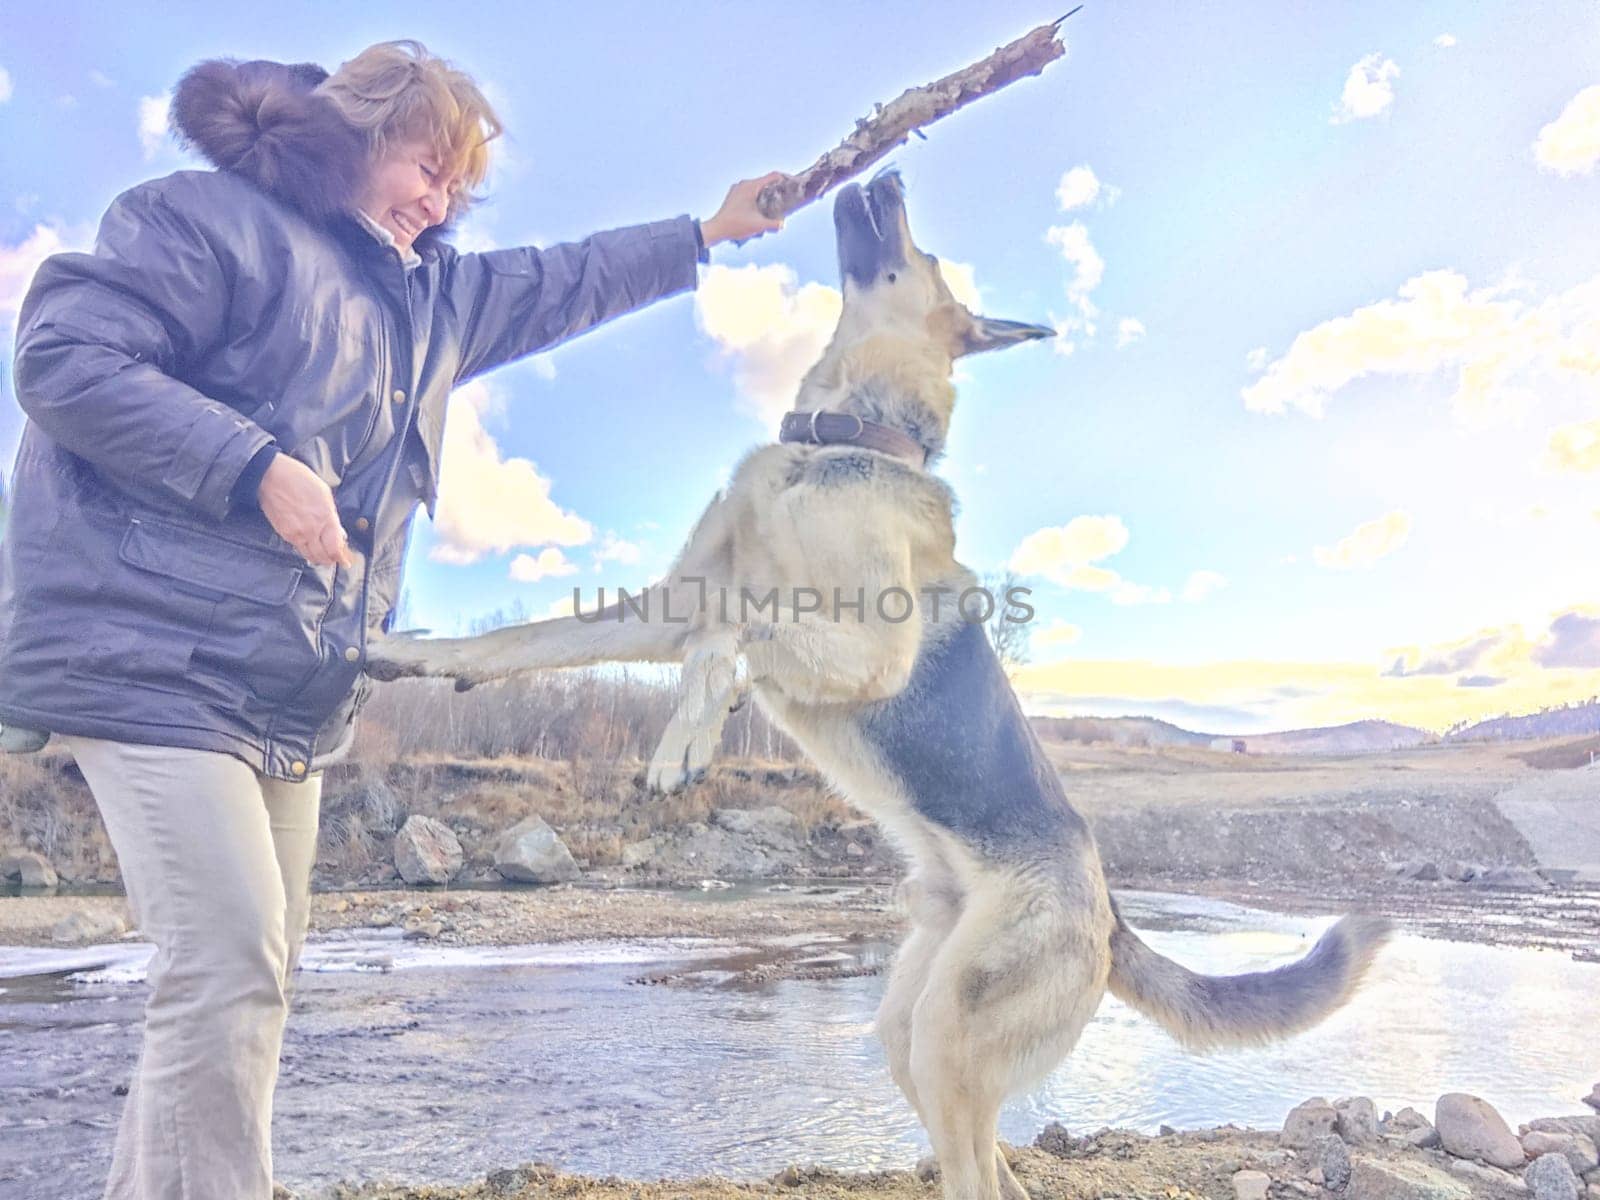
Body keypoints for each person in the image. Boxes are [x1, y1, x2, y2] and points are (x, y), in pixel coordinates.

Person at [0, 40, 783, 1198]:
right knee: (223, 967)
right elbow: (61, 358)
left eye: (462, 185)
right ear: (359, 135)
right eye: (429, 165)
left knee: (249, 980)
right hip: (147, 656)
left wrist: (706, 234)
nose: (442, 199)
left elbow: (567, 278)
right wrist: (254, 464)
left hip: (293, 689)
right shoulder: (204, 220)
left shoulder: (436, 304)